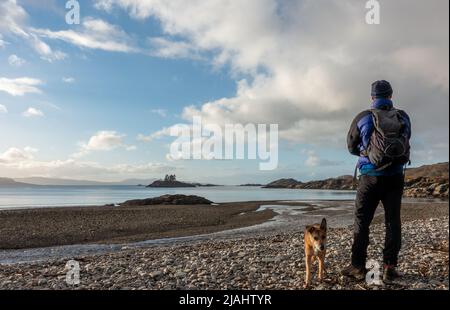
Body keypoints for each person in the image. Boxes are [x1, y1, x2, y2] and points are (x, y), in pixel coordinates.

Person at [343, 80, 412, 282]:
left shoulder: (363, 117)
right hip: (395, 177)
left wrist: (367, 153)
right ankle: (390, 266)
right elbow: (407, 139)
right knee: (392, 222)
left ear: (372, 97)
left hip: (370, 177)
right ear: (390, 95)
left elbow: (350, 146)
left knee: (362, 222)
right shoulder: (403, 117)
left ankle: (357, 266)